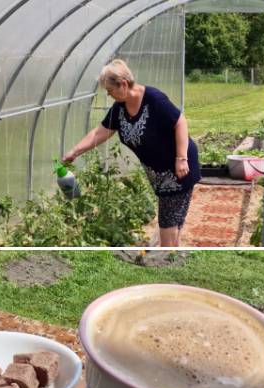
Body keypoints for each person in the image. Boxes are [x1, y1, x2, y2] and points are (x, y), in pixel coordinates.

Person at [63, 59, 200, 247]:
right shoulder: (119, 108)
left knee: (168, 221)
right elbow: (100, 132)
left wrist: (181, 159)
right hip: (159, 174)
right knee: (174, 219)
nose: (109, 95)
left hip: (179, 167)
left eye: (110, 90)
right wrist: (75, 151)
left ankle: (166, 260)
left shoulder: (153, 99)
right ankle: (172, 256)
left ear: (123, 84)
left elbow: (180, 122)